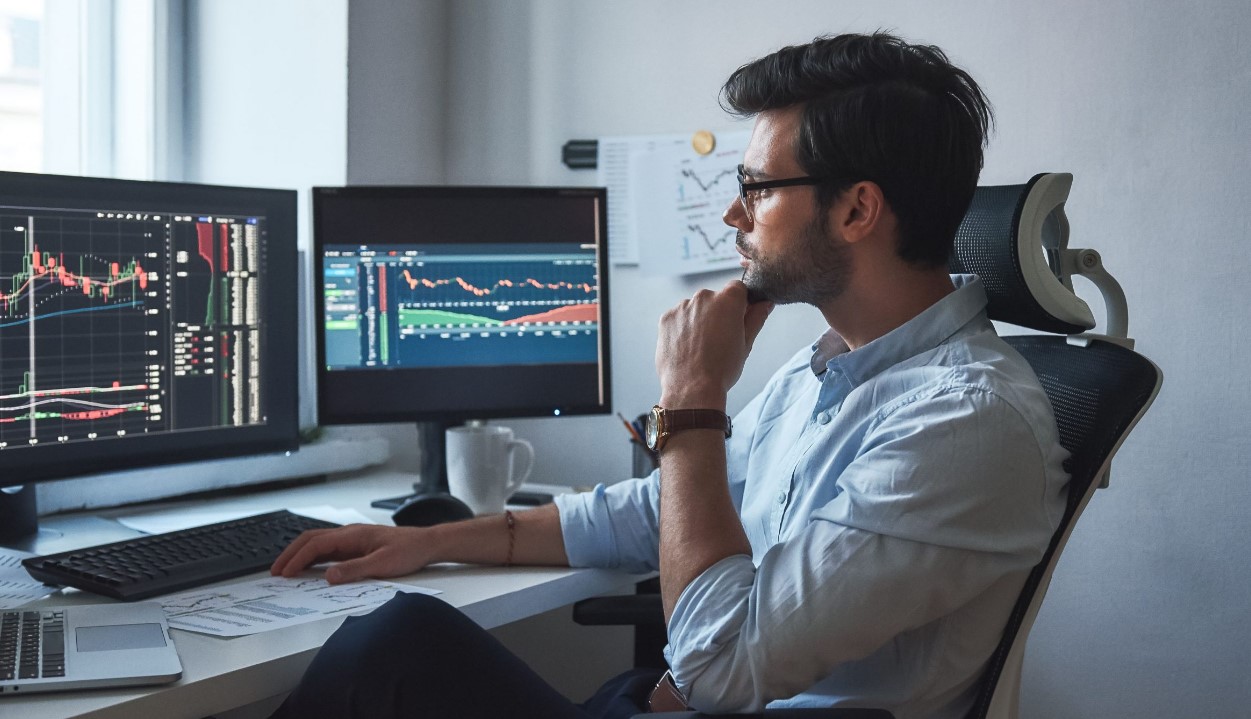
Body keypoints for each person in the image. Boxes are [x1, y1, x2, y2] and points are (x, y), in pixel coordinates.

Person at [268, 32, 1069, 719]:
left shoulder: (964, 421)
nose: (732, 215)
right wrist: (426, 540)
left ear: (856, 210)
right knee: (405, 634)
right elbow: (650, 513)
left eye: (755, 188)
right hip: (653, 697)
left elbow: (715, 669)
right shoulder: (826, 369)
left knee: (398, 647)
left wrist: (691, 403)